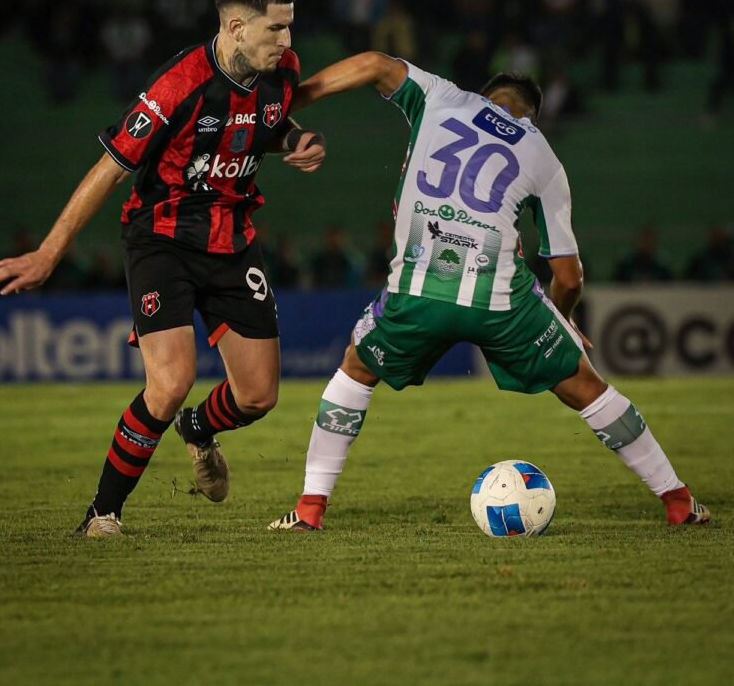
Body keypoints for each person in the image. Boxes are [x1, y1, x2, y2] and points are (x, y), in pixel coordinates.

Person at [268, 53, 709, 531]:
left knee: (355, 372)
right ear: (531, 117)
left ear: (484, 97)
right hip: (502, 302)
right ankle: (678, 501)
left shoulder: (440, 97)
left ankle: (310, 510)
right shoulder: (543, 155)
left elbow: (375, 62)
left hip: (419, 291)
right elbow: (568, 275)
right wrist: (561, 320)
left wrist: (297, 97)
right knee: (587, 389)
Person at [0, 0, 326, 538]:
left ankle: (197, 429)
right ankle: (102, 514)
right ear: (237, 27)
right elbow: (110, 169)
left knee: (259, 395)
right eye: (276, 30)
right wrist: (50, 252)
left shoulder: (281, 70)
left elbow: (266, 121)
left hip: (233, 239)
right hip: (161, 239)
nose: (288, 42)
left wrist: (296, 140)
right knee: (168, 383)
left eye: (290, 29)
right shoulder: (179, 84)